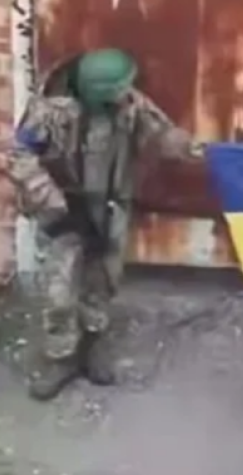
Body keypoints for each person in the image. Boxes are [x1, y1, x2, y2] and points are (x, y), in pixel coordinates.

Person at [0, 48, 201, 401]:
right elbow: (19, 155)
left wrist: (185, 147)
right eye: (118, 89)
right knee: (60, 289)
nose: (127, 94)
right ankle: (61, 357)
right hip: (63, 211)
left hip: (109, 207)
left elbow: (159, 132)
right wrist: (49, 200)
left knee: (103, 280)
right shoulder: (47, 113)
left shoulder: (129, 104)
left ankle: (92, 344)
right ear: (97, 92)